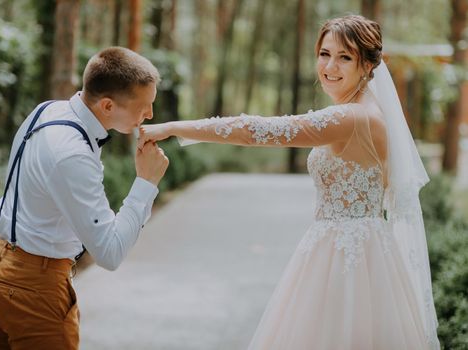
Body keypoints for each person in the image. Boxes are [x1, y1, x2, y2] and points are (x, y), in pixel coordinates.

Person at [139, 15, 440, 349]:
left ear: (367, 65)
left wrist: (172, 128)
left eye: (345, 57)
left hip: (342, 259)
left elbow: (256, 130)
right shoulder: (368, 109)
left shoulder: (349, 117)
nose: (330, 66)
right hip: (369, 249)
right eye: (324, 54)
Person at [0, 47, 169, 349]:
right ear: (107, 106)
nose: (150, 115)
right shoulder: (72, 153)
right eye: (144, 106)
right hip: (31, 287)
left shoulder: (47, 109)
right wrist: (146, 182)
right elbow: (109, 253)